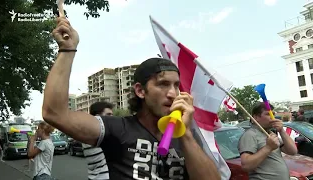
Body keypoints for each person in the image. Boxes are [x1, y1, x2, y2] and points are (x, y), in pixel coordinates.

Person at [41, 16, 221, 180]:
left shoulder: (186, 137)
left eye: (176, 85)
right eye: (163, 84)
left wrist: (186, 133)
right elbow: (54, 113)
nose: (173, 93)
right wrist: (67, 49)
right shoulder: (118, 128)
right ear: (140, 91)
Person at [238, 102, 298, 180]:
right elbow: (246, 166)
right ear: (255, 117)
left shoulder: (270, 134)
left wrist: (281, 131)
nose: (273, 117)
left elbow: (293, 151)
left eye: (273, 114)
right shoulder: (250, 135)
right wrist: (268, 148)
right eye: (268, 114)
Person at [82, 101, 114, 180]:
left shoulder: (86, 132)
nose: (112, 118)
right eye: (108, 115)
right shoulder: (97, 133)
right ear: (97, 117)